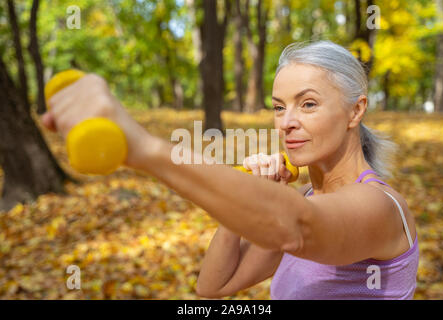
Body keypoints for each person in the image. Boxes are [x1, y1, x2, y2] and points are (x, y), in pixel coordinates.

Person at [41, 40, 419, 300]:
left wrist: (142, 148)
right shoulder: (305, 199)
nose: (287, 122)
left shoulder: (381, 207)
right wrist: (249, 188)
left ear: (356, 110)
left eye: (307, 104)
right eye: (278, 107)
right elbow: (214, 287)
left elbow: (297, 227)